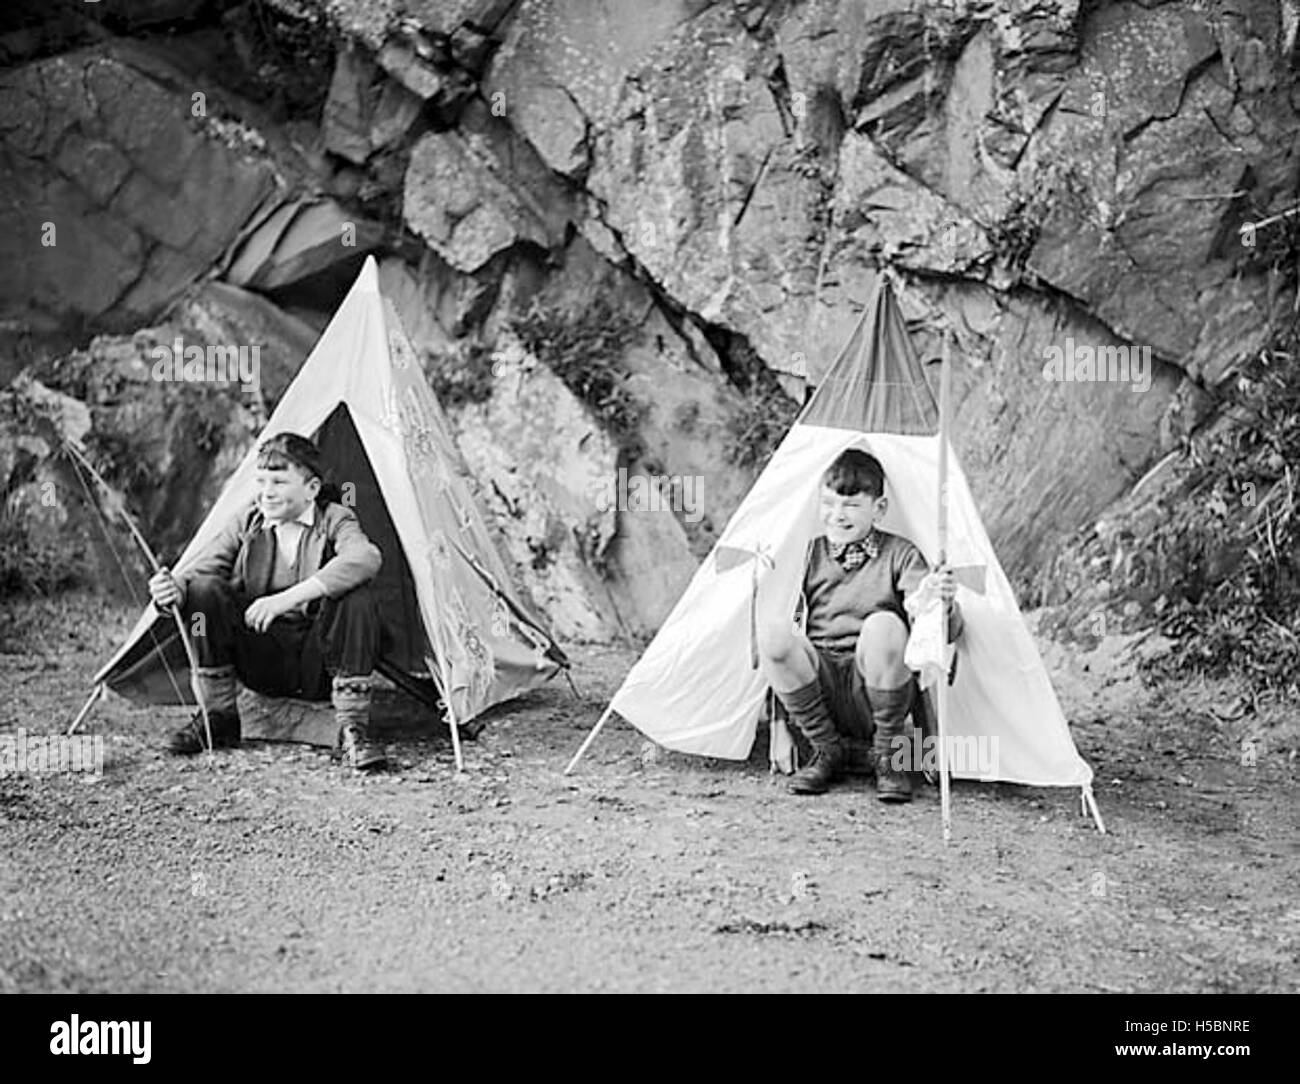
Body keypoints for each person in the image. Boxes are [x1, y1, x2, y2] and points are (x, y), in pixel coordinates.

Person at [148, 433, 387, 770]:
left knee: (357, 597)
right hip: (263, 655)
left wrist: (287, 598)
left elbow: (365, 557)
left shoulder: (335, 517)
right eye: (261, 481)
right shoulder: (249, 521)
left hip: (319, 663)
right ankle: (219, 718)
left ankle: (352, 730)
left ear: (312, 489)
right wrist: (171, 591)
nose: (266, 492)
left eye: (278, 481)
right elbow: (197, 574)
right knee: (204, 591)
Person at [757, 448, 961, 801]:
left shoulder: (901, 554)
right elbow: (788, 625)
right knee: (773, 633)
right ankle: (826, 750)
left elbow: (936, 629)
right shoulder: (808, 555)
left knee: (884, 624)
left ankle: (886, 754)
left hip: (876, 688)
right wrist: (778, 726)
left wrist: (942, 604)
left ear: (878, 509)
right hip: (819, 689)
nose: (837, 515)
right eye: (829, 503)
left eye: (851, 505)